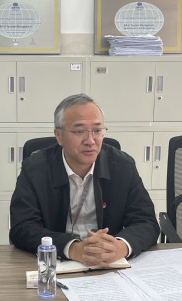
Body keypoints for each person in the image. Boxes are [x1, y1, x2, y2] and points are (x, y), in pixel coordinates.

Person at [9, 94, 159, 266]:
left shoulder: (122, 166)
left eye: (97, 130)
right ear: (59, 136)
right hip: (57, 263)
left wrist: (119, 246)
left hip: (107, 264)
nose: (90, 141)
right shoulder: (35, 169)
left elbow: (146, 222)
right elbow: (22, 227)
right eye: (79, 131)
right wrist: (72, 248)